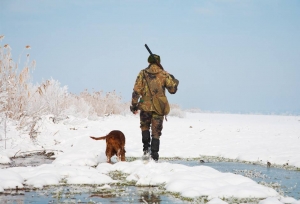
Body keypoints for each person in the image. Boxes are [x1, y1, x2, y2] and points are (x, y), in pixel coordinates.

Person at [130, 54, 179, 161]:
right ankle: (154, 155)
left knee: (144, 127)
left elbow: (136, 91)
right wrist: (173, 78)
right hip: (159, 107)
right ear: (159, 62)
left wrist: (134, 105)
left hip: (145, 106)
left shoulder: (142, 73)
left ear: (149, 62)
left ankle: (146, 151)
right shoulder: (164, 74)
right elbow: (173, 90)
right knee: (156, 132)